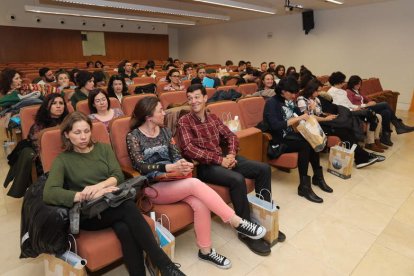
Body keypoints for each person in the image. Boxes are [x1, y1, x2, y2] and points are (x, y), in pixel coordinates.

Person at [127, 97, 267, 269]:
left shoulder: (164, 131)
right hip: (153, 187)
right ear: (149, 116)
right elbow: (140, 165)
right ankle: (236, 221)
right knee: (194, 184)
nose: (164, 113)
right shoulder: (133, 136)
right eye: (160, 110)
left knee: (201, 204)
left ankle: (206, 251)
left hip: (175, 181)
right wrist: (170, 167)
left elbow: (176, 154)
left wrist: (182, 164)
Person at [43, 112, 185, 276]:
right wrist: (84, 194)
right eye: (77, 132)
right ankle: (166, 266)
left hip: (111, 202)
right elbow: (49, 192)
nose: (83, 137)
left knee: (125, 228)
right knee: (127, 206)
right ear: (67, 134)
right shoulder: (63, 160)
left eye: (86, 131)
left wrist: (100, 187)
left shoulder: (102, 148)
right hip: (88, 212)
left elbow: (117, 175)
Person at [178, 84, 286, 256]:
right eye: (190, 98)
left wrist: (231, 154)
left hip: (225, 158)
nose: (193, 101)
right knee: (237, 179)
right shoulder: (184, 121)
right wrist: (220, 160)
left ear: (205, 98)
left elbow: (231, 136)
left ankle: (263, 220)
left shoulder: (212, 117)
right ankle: (245, 231)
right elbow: (189, 149)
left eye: (197, 97)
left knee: (264, 169)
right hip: (206, 167)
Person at [264, 77, 331, 204]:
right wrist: (297, 119)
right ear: (283, 91)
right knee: (305, 145)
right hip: (279, 140)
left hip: (291, 135)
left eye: (296, 92)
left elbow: (302, 117)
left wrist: (310, 109)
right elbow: (275, 126)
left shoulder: (288, 101)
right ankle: (304, 187)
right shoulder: (271, 103)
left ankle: (317, 177)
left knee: (312, 140)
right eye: (292, 93)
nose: (295, 95)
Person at [297, 79, 382, 167]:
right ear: (311, 89)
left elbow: (320, 113)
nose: (318, 93)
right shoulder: (301, 99)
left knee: (346, 129)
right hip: (311, 127)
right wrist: (321, 116)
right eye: (317, 91)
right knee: (343, 131)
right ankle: (362, 157)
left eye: (319, 91)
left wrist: (329, 116)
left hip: (321, 122)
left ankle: (361, 157)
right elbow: (307, 118)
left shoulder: (316, 99)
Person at [4, 93, 69, 198]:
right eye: (54, 103)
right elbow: (40, 149)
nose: (58, 106)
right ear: (47, 107)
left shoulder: (69, 122)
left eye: (61, 103)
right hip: (47, 160)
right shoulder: (39, 125)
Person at [346, 75, 414, 146]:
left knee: (386, 112)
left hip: (367, 108)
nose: (359, 85)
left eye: (360, 84)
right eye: (357, 84)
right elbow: (350, 105)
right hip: (362, 111)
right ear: (352, 83)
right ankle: (399, 125)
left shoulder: (358, 92)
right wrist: (365, 105)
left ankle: (385, 137)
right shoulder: (348, 92)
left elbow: (371, 101)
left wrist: (371, 102)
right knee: (385, 104)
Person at [327, 72, 388, 146]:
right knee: (370, 113)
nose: (344, 83)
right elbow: (337, 107)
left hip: (350, 110)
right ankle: (369, 142)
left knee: (377, 116)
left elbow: (349, 104)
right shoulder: (330, 93)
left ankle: (375, 140)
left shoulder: (343, 92)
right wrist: (352, 109)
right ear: (338, 82)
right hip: (344, 113)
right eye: (343, 81)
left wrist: (357, 107)